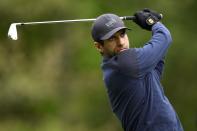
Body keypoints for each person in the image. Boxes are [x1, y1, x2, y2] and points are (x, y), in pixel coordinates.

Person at [91, 9, 184, 131]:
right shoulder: (123, 64)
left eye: (122, 34)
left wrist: (155, 25)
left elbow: (157, 63)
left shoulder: (130, 66)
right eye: (112, 39)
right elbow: (164, 37)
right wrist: (152, 23)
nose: (121, 42)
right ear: (99, 46)